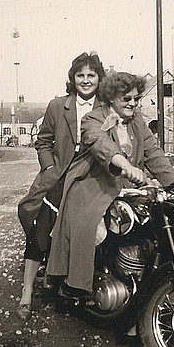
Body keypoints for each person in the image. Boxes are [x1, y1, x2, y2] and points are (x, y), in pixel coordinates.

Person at [46, 72, 174, 298]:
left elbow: (154, 153)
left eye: (136, 98)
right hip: (93, 185)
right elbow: (100, 143)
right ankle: (76, 283)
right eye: (126, 99)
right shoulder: (93, 119)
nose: (132, 103)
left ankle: (145, 277)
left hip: (128, 187)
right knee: (91, 227)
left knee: (160, 220)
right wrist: (126, 166)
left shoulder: (137, 122)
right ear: (111, 98)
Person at [16, 52, 106, 321]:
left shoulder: (107, 107)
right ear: (73, 78)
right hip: (61, 173)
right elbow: (42, 141)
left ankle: (81, 281)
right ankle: (27, 292)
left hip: (93, 176)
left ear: (99, 79)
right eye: (81, 75)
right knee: (41, 223)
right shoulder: (58, 106)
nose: (86, 81)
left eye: (91, 75)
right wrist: (49, 167)